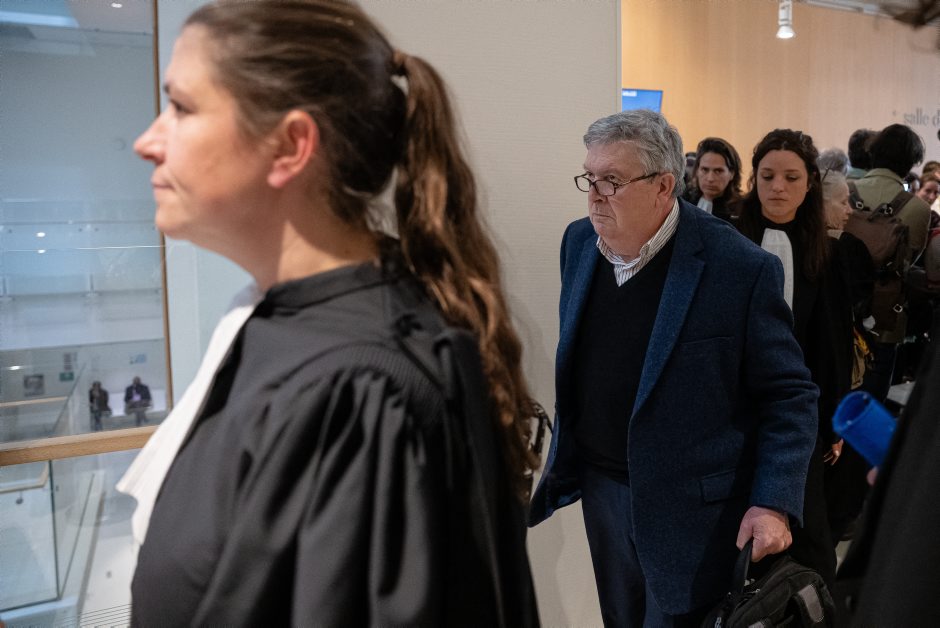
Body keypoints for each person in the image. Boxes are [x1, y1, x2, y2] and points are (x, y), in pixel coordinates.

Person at [118, 1, 539, 625]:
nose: (146, 143)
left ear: (291, 145)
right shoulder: (274, 321)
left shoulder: (359, 391)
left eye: (181, 108)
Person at [528, 110, 818, 626]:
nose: (594, 195)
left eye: (611, 181)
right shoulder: (579, 244)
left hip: (694, 512)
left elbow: (789, 394)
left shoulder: (738, 267)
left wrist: (773, 501)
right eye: (589, 178)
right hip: (602, 489)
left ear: (664, 186)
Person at [736, 129, 856, 586]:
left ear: (809, 184)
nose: (778, 188)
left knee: (808, 531)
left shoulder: (827, 252)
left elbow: (833, 343)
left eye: (791, 177)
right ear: (754, 180)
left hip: (799, 410)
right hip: (738, 404)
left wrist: (833, 420)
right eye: (767, 176)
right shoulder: (731, 240)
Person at [850, 124, 932, 402]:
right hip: (886, 319)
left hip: (841, 312)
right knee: (872, 406)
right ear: (912, 162)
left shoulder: (844, 192)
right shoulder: (919, 209)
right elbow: (909, 262)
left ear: (873, 152)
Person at [680, 136, 742, 222]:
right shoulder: (683, 201)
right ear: (697, 170)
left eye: (718, 171)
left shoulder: (740, 211)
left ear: (732, 173)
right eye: (705, 170)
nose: (710, 179)